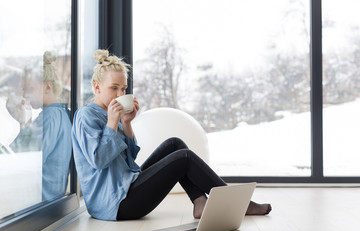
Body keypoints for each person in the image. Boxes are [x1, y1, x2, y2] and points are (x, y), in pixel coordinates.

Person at [72, 49, 272, 221]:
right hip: (115, 205)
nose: (119, 94)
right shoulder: (86, 116)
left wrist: (126, 123)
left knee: (175, 144)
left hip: (127, 187)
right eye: (113, 88)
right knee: (183, 158)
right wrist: (112, 123)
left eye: (123, 88)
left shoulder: (113, 115)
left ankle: (199, 201)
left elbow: (130, 158)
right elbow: (98, 160)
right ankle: (238, 203)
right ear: (97, 87)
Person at [7, 51, 72, 201]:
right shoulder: (60, 114)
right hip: (48, 201)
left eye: (29, 89)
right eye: (23, 89)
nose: (24, 94)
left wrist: (23, 121)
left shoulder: (50, 117)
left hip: (40, 202)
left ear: (48, 87)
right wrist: (23, 122)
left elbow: (22, 158)